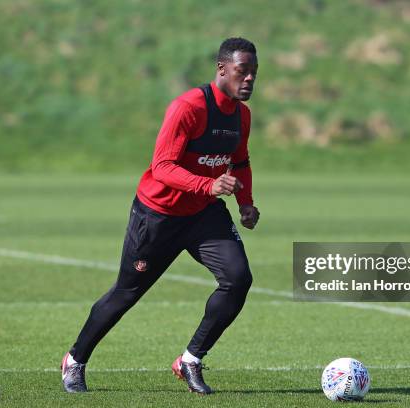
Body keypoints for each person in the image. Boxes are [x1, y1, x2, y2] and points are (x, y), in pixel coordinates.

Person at [61, 37, 260, 395]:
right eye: (242, 72)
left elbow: (240, 161)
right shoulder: (188, 107)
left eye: (254, 73)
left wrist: (245, 202)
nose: (249, 80)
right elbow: (162, 166)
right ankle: (75, 360)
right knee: (125, 294)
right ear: (222, 69)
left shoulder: (242, 116)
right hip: (159, 215)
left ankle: (191, 360)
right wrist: (207, 185)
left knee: (238, 278)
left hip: (203, 215)